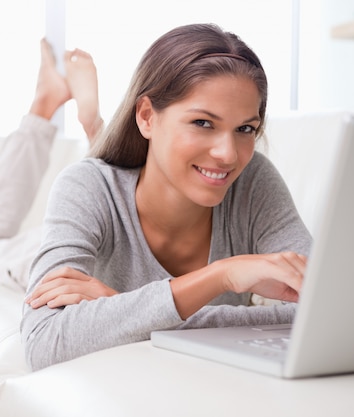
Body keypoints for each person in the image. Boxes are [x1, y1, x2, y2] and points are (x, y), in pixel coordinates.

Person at [21, 23, 312, 370]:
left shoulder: (253, 183)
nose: (229, 155)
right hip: (19, 259)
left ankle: (92, 125)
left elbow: (324, 311)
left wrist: (123, 305)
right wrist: (221, 275)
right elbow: (43, 343)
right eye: (203, 123)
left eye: (245, 129)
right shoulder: (87, 187)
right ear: (146, 116)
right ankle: (47, 104)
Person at [0, 39, 103, 289]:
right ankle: (59, 112)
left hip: (58, 255)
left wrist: (94, 124)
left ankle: (46, 106)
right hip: (69, 245)